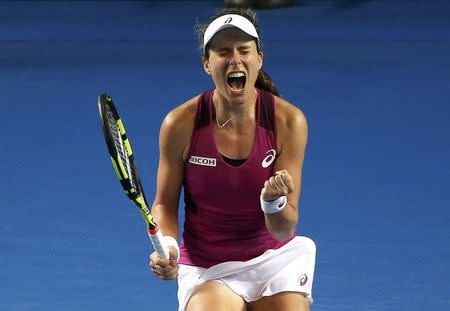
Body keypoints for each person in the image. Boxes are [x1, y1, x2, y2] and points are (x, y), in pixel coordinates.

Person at [149, 7, 316, 311]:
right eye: (223, 51)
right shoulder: (180, 124)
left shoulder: (289, 121)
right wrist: (168, 246)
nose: (235, 59)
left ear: (259, 58)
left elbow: (283, 228)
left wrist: (272, 203)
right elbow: (164, 203)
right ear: (207, 64)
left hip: (273, 259)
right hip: (207, 265)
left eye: (244, 50)